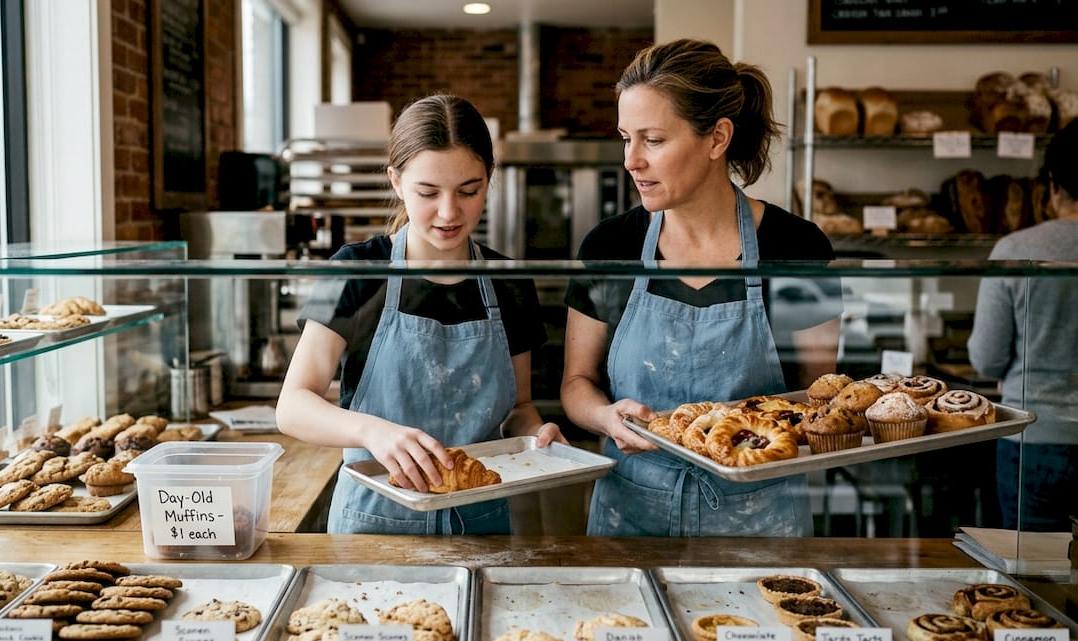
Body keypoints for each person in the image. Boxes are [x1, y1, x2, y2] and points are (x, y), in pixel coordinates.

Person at [560, 38, 838, 537]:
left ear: (717, 139)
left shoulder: (795, 245)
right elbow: (575, 384)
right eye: (626, 137)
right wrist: (605, 418)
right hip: (631, 518)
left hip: (759, 521)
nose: (631, 160)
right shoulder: (610, 245)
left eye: (654, 140)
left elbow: (817, 402)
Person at [276, 93, 562, 534]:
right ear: (396, 181)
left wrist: (537, 435)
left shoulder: (509, 280)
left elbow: (518, 407)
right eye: (427, 193)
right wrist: (373, 432)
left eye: (469, 191)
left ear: (489, 179)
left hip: (480, 522)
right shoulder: (356, 270)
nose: (449, 212)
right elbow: (293, 405)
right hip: (374, 521)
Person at [967, 114, 1078, 532]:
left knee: (1033, 573)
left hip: (1034, 439)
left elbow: (987, 360)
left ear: (1053, 183)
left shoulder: (1016, 248)